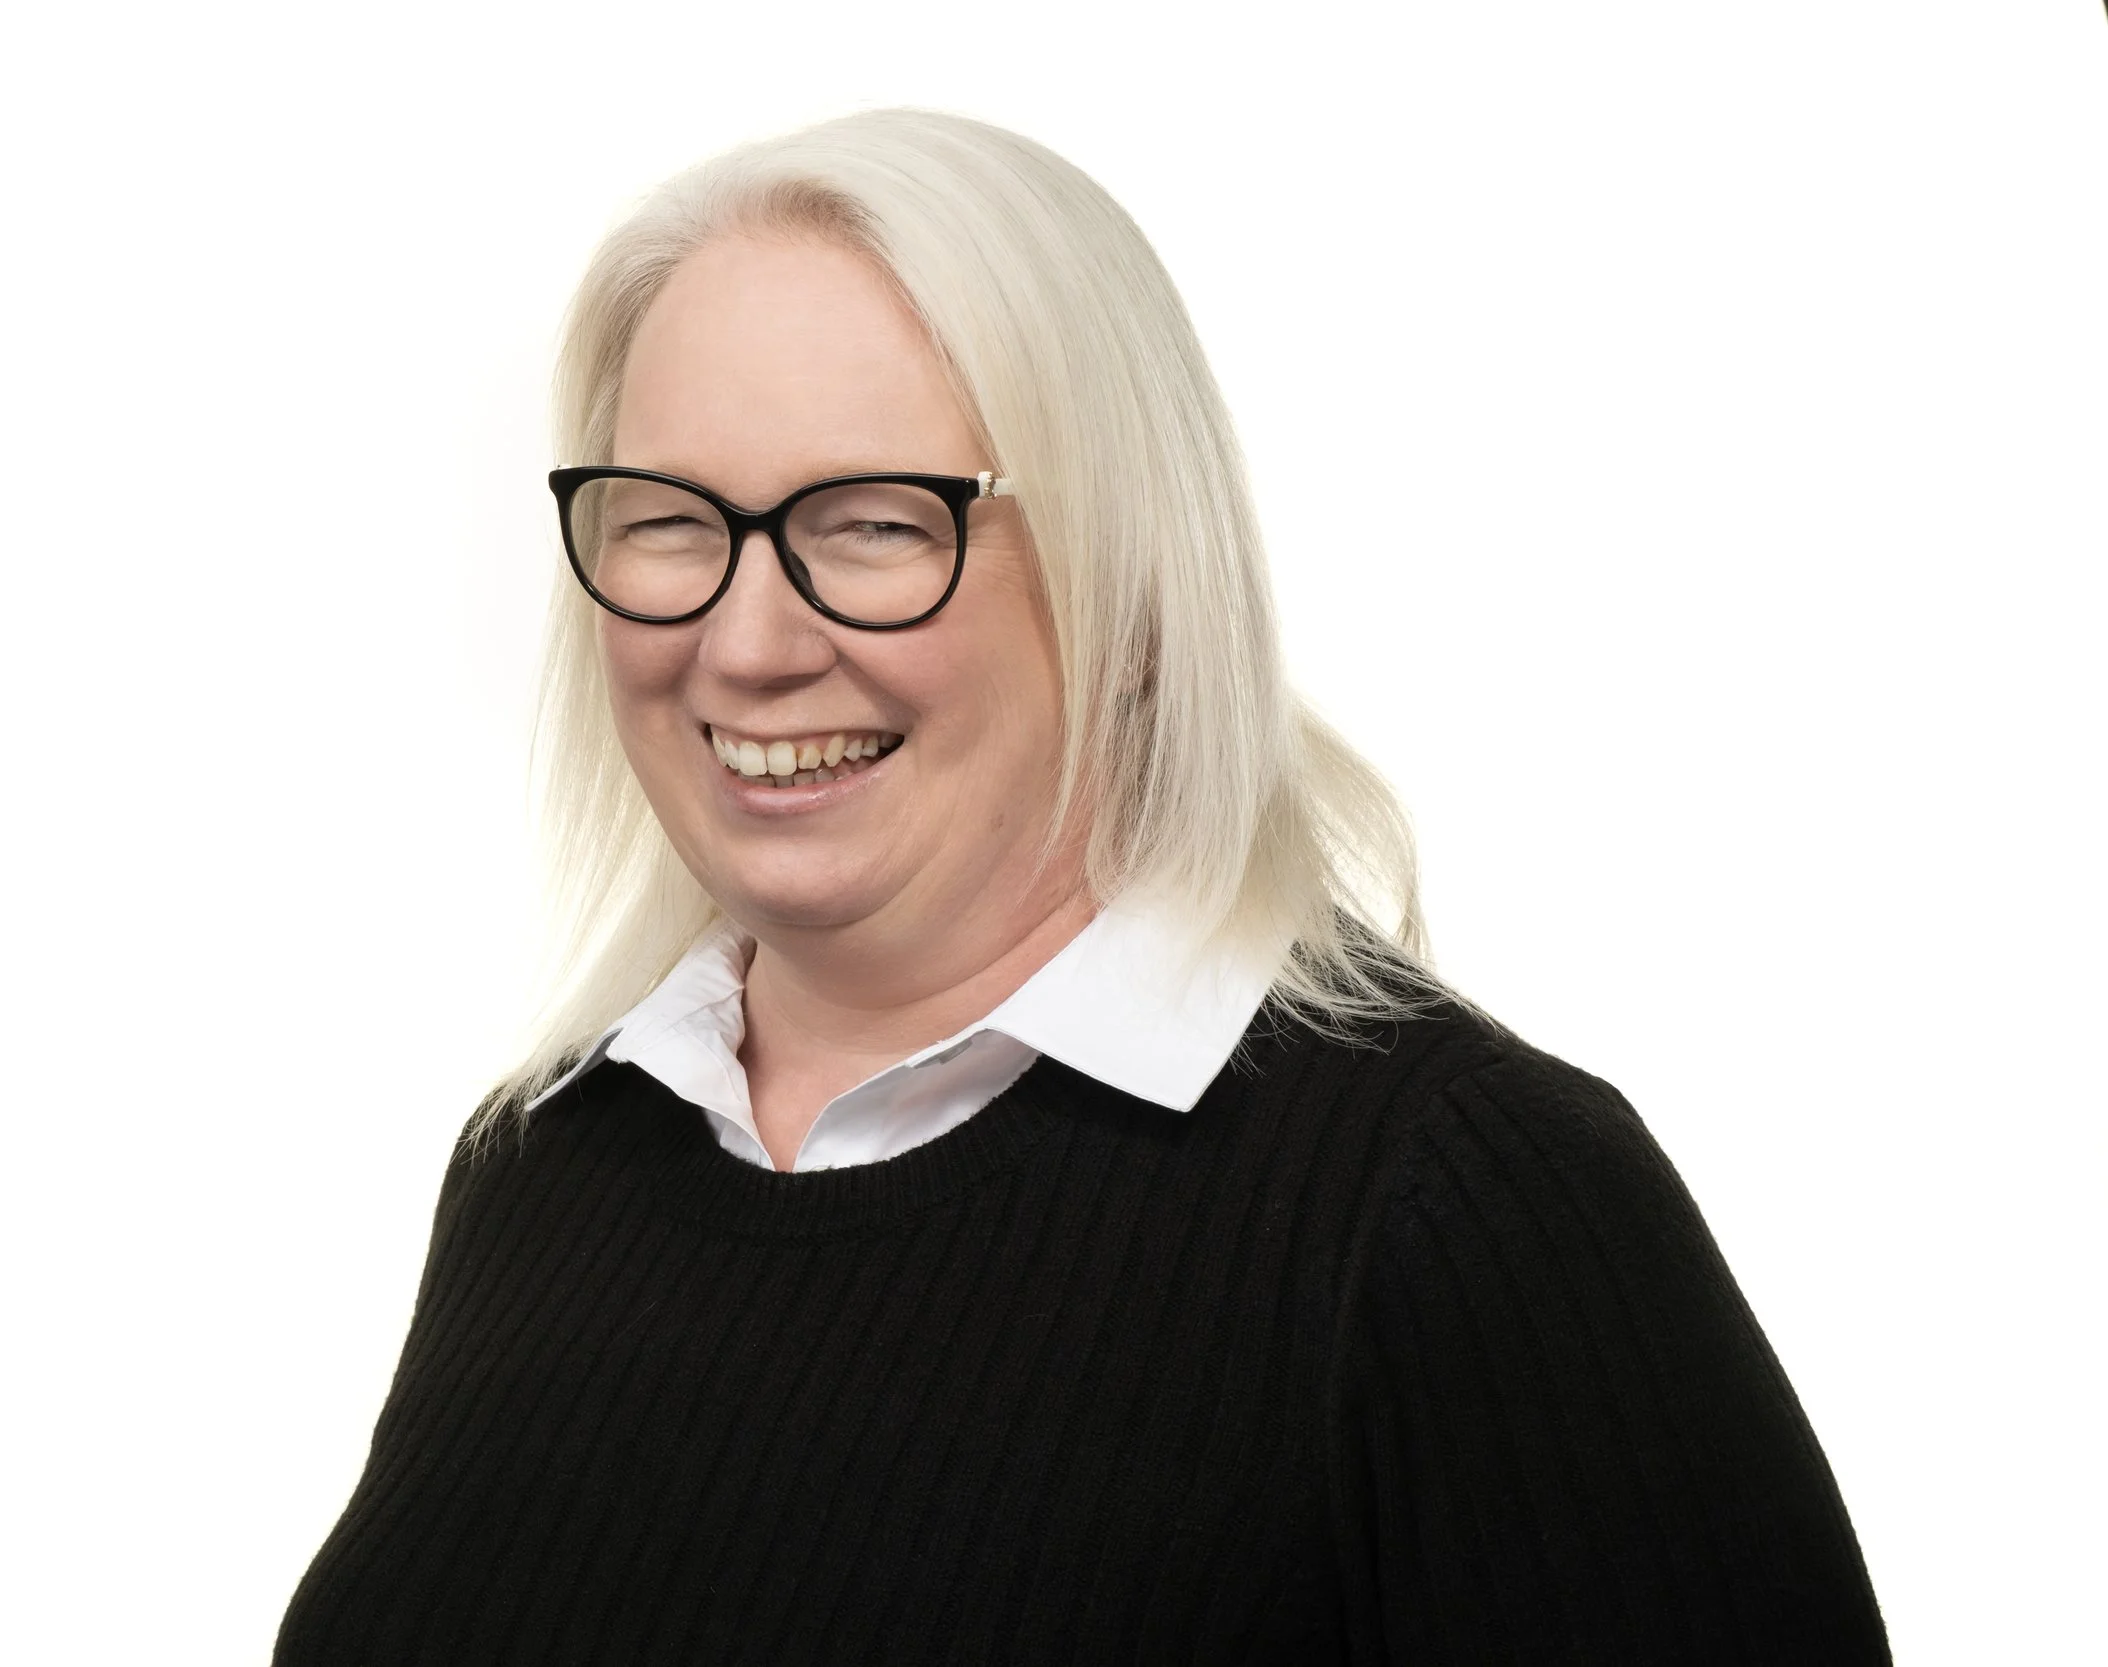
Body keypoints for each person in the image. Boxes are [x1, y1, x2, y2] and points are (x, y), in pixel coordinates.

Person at [272, 109, 1887, 1664]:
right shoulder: (544, 1164)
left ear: (1129, 563)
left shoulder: (1453, 1217)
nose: (748, 642)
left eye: (877, 523)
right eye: (672, 522)